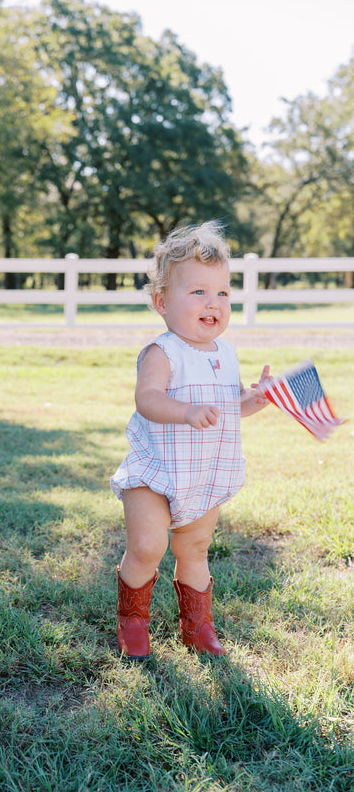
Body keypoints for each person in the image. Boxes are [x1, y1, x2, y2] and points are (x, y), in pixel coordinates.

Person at [110, 221, 271, 660]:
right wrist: (185, 411)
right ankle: (133, 622)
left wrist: (250, 401)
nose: (213, 303)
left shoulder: (225, 353)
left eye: (222, 293)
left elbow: (224, 405)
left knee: (194, 548)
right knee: (148, 546)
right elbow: (147, 399)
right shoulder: (163, 352)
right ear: (162, 302)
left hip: (202, 473)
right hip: (155, 470)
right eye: (198, 292)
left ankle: (198, 626)